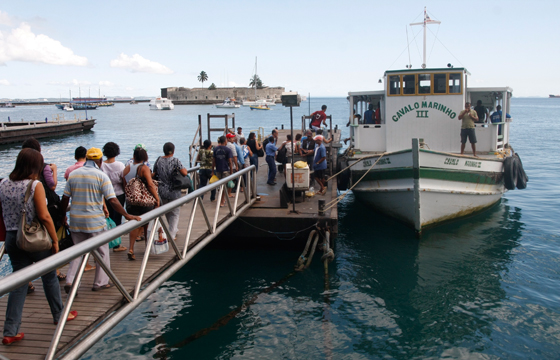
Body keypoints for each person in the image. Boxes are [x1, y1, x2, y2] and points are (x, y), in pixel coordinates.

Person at [0, 149, 77, 345]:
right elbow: (44, 216)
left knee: (19, 282)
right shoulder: (35, 185)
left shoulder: (3, 184)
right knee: (49, 275)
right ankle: (59, 315)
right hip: (35, 237)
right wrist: (55, 240)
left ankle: (10, 330)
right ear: (36, 166)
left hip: (12, 238)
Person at [61, 148, 140, 292]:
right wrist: (127, 215)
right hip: (95, 222)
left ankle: (71, 281)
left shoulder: (73, 174)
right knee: (102, 252)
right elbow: (113, 201)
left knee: (77, 252)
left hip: (76, 221)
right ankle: (100, 282)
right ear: (100, 160)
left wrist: (62, 217)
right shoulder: (101, 176)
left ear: (86, 159)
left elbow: (65, 198)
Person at [124, 148, 159, 260]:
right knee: (146, 225)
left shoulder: (127, 168)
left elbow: (124, 182)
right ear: (145, 156)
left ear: (134, 156)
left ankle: (131, 248)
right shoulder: (144, 168)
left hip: (132, 201)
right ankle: (147, 248)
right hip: (144, 202)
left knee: (134, 224)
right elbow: (150, 184)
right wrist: (157, 199)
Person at [152, 142, 187, 241]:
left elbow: (154, 173)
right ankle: (171, 235)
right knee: (175, 213)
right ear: (173, 150)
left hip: (162, 191)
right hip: (174, 191)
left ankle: (173, 230)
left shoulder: (158, 160)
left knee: (167, 212)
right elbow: (184, 173)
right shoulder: (175, 161)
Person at [101, 142, 127, 252]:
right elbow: (123, 180)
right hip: (119, 194)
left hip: (106, 195)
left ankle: (106, 243)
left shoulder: (101, 165)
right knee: (117, 219)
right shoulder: (120, 165)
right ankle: (116, 244)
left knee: (107, 218)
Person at [212, 136, 234, 207]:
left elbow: (213, 161)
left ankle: (222, 199)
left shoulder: (215, 149)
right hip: (225, 170)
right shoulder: (228, 150)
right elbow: (230, 162)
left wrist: (212, 170)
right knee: (224, 186)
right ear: (225, 141)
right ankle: (222, 201)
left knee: (220, 185)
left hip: (218, 170)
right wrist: (231, 171)